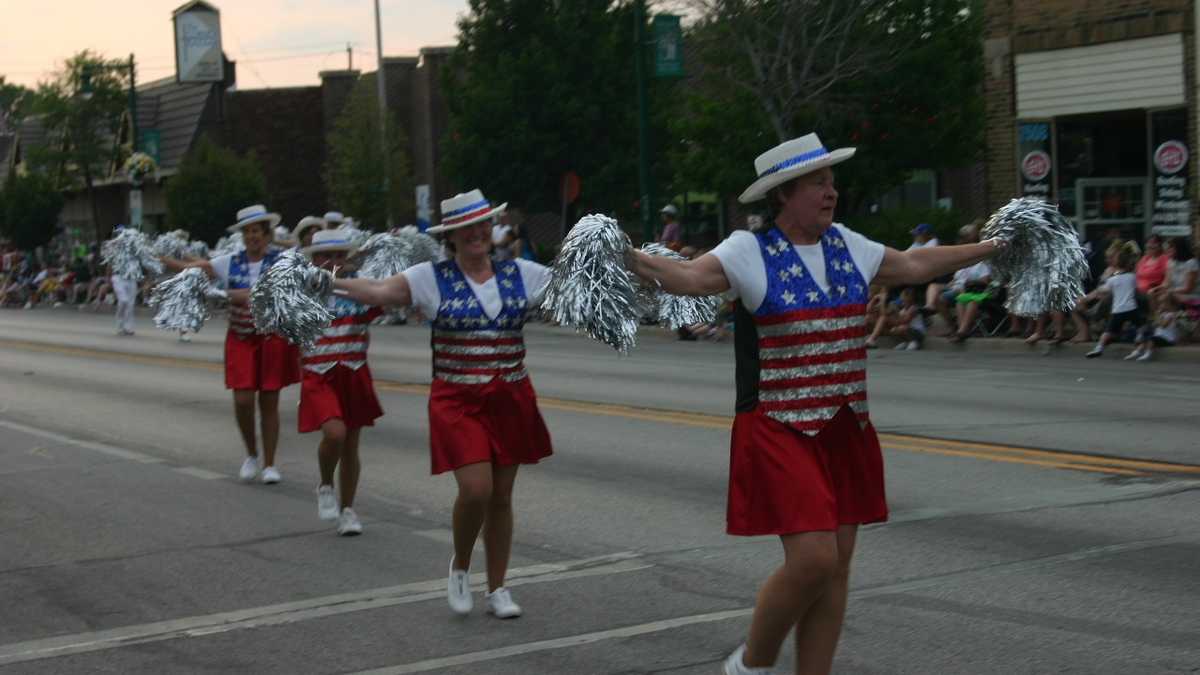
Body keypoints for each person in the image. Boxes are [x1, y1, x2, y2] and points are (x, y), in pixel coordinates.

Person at [624, 133, 1004, 675]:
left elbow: (917, 266)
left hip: (846, 425)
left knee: (837, 568)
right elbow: (688, 277)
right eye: (818, 183)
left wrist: (992, 246)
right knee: (814, 558)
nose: (831, 192)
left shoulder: (848, 244)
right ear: (785, 194)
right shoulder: (747, 250)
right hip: (780, 425)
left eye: (831, 181)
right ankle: (751, 663)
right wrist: (626, 255)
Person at [334, 189, 552, 620]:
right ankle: (460, 565)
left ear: (492, 229)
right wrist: (327, 281)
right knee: (476, 490)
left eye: (482, 225)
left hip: (510, 396)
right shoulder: (430, 278)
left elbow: (572, 288)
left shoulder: (522, 273)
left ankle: (498, 587)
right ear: (451, 237)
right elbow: (378, 290)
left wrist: (627, 264)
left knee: (502, 497)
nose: (476, 233)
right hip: (458, 399)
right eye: (465, 228)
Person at [162, 205, 301, 483]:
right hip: (240, 339)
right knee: (243, 399)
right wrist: (162, 258)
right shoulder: (229, 261)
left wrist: (230, 294)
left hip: (272, 339)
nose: (252, 237)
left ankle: (270, 464)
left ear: (266, 234)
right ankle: (251, 454)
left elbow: (275, 292)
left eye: (257, 232)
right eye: (248, 232)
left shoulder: (283, 261)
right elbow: (194, 270)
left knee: (269, 402)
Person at [298, 229, 385, 536]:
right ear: (314, 259)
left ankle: (348, 510)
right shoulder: (303, 291)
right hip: (319, 374)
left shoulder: (359, 289)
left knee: (351, 446)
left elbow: (384, 304)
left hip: (354, 371)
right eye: (325, 256)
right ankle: (324, 484)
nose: (332, 262)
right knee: (334, 434)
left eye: (338, 256)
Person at [1083, 242, 1149, 360]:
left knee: (1108, 331)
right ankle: (1139, 336)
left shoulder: (1113, 280)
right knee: (1142, 325)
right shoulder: (1132, 277)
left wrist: (1087, 297)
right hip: (1131, 308)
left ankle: (1099, 347)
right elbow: (1137, 289)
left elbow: (1102, 290)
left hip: (1117, 310)